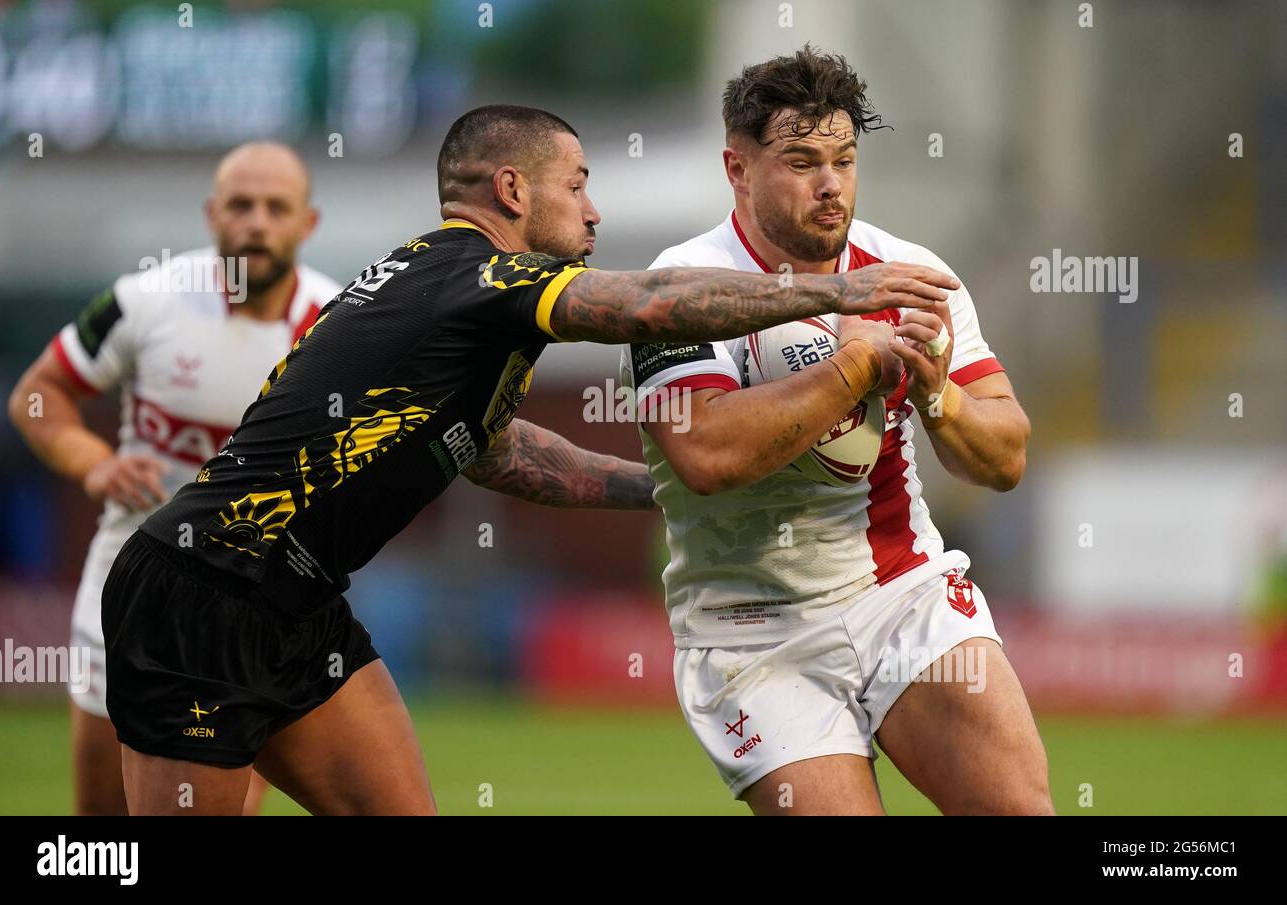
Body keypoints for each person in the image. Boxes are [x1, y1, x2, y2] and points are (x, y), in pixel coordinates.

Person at [99, 104, 959, 814]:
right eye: (577, 185)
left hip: (300, 606)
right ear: (511, 189)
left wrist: (662, 495)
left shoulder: (446, 291)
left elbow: (502, 451)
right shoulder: (479, 273)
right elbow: (644, 304)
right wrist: (834, 289)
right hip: (200, 590)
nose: (592, 212)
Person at [619, 47, 1051, 814]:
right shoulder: (678, 288)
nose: (831, 185)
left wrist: (937, 393)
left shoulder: (909, 271)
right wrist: (854, 368)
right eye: (802, 161)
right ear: (738, 169)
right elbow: (707, 455)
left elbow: (1007, 453)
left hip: (900, 596)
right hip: (753, 632)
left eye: (844, 160)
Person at [8, 142, 340, 815]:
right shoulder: (146, 301)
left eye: (276, 207)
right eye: (240, 204)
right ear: (211, 214)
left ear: (307, 224)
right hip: (128, 584)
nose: (256, 221)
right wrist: (91, 461)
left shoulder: (340, 327)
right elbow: (36, 395)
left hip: (263, 598)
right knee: (104, 825)